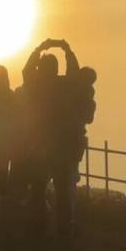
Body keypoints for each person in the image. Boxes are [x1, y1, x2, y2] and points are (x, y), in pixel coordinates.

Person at [22, 38, 87, 235]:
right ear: (56, 68)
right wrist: (67, 49)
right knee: (63, 189)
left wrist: (38, 48)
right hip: (62, 144)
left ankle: (38, 223)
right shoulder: (65, 85)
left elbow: (26, 70)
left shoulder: (33, 85)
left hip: (38, 142)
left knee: (38, 188)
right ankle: (64, 226)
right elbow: (75, 73)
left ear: (40, 68)